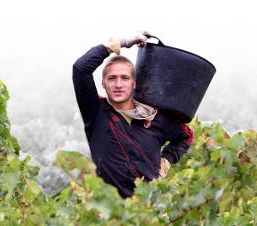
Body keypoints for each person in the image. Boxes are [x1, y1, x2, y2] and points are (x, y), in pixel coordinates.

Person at [72, 32, 194, 198]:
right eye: (112, 78)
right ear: (103, 84)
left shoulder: (152, 116)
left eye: (125, 78)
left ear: (134, 83)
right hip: (109, 215)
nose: (118, 84)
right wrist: (122, 42)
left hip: (148, 213)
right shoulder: (95, 112)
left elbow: (186, 136)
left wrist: (165, 161)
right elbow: (80, 68)